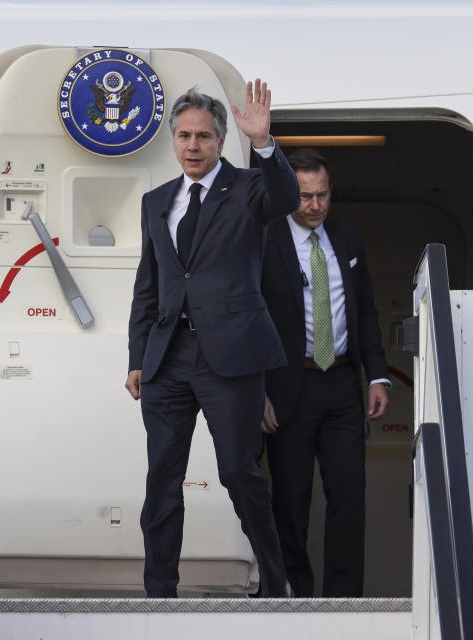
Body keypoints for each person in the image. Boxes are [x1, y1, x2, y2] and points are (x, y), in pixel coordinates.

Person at [125, 80, 298, 598]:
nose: (193, 146)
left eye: (203, 136)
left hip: (232, 358)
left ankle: (273, 580)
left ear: (221, 140)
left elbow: (286, 197)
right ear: (173, 141)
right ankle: (159, 592)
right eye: (184, 136)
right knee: (162, 478)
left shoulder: (248, 189)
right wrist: (137, 357)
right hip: (168, 358)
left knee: (238, 474)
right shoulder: (157, 201)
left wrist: (265, 144)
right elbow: (148, 285)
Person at [260, 148, 390, 597]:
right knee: (291, 501)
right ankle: (293, 595)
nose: (314, 206)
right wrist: (258, 391)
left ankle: (344, 600)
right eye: (304, 196)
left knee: (350, 497)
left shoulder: (347, 238)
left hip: (341, 383)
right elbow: (249, 318)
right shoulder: (265, 239)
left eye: (323, 195)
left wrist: (377, 375)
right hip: (288, 385)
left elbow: (367, 311)